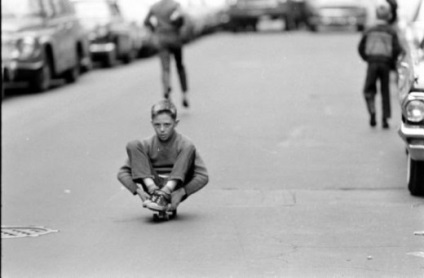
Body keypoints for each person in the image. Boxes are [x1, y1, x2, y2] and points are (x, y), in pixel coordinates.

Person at [117, 100, 209, 212]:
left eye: (167, 125)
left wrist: (182, 192)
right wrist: (138, 191)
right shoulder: (146, 144)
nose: (162, 129)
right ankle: (156, 193)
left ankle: (165, 193)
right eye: (157, 125)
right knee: (133, 145)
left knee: (188, 146)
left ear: (176, 123)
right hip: (152, 186)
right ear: (152, 123)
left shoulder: (184, 144)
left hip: (175, 187)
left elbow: (203, 176)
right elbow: (122, 173)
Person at [358, 4, 404, 129]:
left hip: (372, 63)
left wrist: (367, 58)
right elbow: (397, 49)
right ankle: (385, 118)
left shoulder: (369, 30)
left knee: (368, 89)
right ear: (388, 16)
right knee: (385, 91)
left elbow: (361, 47)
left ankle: (372, 110)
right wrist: (391, 61)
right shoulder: (391, 31)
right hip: (385, 64)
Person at [144, 0, 190, 107]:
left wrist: (155, 29)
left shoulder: (154, 7)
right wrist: (177, 26)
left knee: (165, 68)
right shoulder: (174, 5)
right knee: (180, 66)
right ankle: (184, 94)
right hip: (174, 38)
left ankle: (166, 89)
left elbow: (146, 21)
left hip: (161, 39)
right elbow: (182, 17)